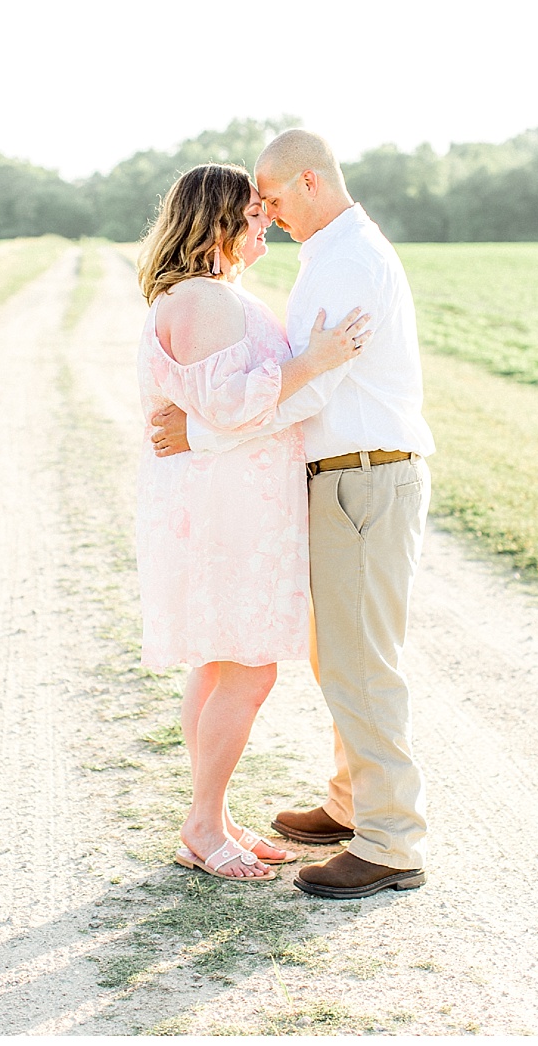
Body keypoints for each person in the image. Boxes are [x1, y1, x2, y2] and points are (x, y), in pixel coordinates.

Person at [151, 129, 438, 900]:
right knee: (337, 653)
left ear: (310, 181)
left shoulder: (348, 263)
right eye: (257, 209)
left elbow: (310, 387)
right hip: (345, 478)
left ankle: (391, 840)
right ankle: (352, 804)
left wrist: (199, 431)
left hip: (364, 476)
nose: (267, 217)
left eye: (273, 200)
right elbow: (297, 375)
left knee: (360, 661)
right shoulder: (330, 257)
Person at [135, 162, 369, 881]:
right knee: (246, 669)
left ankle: (214, 817)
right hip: (228, 511)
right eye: (252, 212)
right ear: (218, 222)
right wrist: (315, 361)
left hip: (233, 503)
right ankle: (204, 825)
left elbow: (220, 409)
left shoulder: (214, 296)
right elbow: (232, 405)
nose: (264, 220)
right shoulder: (205, 300)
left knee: (221, 664)